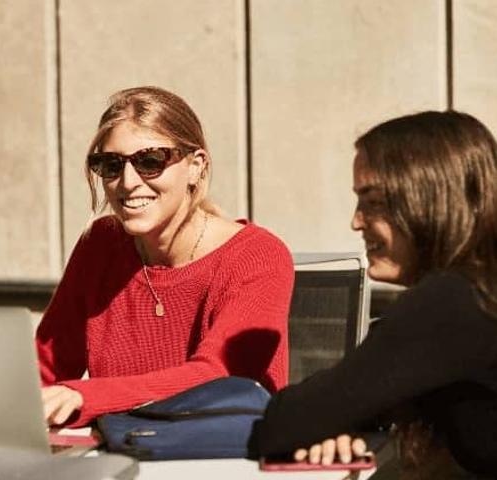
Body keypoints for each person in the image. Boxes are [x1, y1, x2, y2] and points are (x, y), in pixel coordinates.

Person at [249, 111, 497, 477]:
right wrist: (344, 417)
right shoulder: (477, 289)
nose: (356, 221)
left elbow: (282, 424)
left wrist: (331, 417)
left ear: (430, 198)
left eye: (374, 201)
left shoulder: (454, 300)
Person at [36, 86, 294, 427]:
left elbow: (218, 377)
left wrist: (85, 396)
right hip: (120, 455)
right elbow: (44, 366)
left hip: (224, 458)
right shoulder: (101, 243)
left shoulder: (258, 255)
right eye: (111, 165)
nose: (128, 182)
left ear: (195, 166)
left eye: (150, 161)